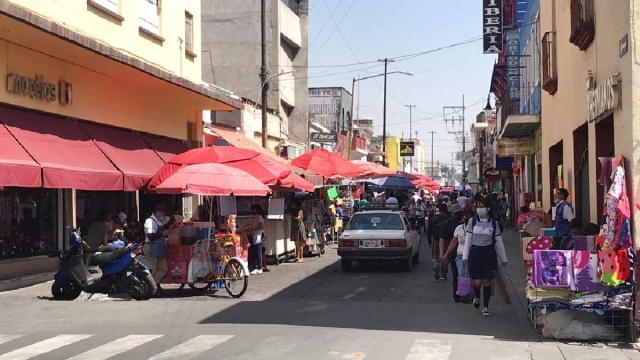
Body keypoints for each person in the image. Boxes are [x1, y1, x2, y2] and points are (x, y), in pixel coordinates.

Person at [463, 197, 508, 316]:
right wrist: (465, 255)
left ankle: (486, 306)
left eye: (482, 206)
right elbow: (468, 239)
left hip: (489, 253)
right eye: (478, 206)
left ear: (488, 208)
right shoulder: (472, 221)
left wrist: (504, 258)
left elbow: (499, 241)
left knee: (487, 280)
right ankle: (477, 295)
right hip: (475, 253)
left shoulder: (494, 223)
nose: (479, 209)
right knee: (477, 281)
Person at [443, 211, 473, 303]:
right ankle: (463, 294)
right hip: (460, 256)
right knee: (461, 274)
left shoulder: (475, 228)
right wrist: (446, 253)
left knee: (469, 274)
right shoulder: (459, 228)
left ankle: (470, 294)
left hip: (472, 256)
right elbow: (453, 241)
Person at [439, 210, 464, 300]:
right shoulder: (448, 223)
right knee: (456, 274)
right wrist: (443, 253)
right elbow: (443, 238)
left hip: (467, 252)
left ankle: (466, 292)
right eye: (456, 213)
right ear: (452, 213)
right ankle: (457, 294)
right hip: (454, 252)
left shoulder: (467, 222)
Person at [143, 205, 169, 287]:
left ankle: (151, 285)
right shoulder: (149, 221)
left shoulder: (159, 221)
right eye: (161, 214)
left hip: (159, 248)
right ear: (158, 212)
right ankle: (149, 287)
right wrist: (162, 234)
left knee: (163, 268)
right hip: (151, 247)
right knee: (152, 270)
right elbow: (151, 236)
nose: (162, 216)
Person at [428, 203, 450, 280]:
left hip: (436, 239)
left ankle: (436, 266)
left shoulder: (434, 218)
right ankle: (443, 273)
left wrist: (429, 240)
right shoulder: (449, 218)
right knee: (445, 255)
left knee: (435, 255)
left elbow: (429, 230)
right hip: (446, 240)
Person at [247, 204, 266, 274]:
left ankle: (259, 267)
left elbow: (260, 227)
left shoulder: (260, 217)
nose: (251, 211)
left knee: (258, 251)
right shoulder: (254, 217)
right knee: (255, 251)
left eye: (253, 209)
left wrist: (253, 229)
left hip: (259, 235)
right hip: (254, 235)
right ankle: (255, 266)